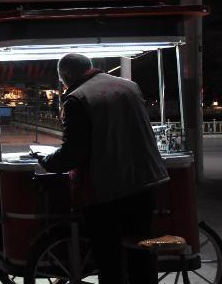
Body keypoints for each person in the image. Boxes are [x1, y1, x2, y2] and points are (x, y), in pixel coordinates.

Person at [37, 53, 169, 284]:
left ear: (66, 76)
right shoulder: (130, 86)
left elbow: (73, 153)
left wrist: (46, 160)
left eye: (61, 80)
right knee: (140, 251)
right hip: (144, 183)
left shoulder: (77, 98)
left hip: (108, 190)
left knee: (109, 257)